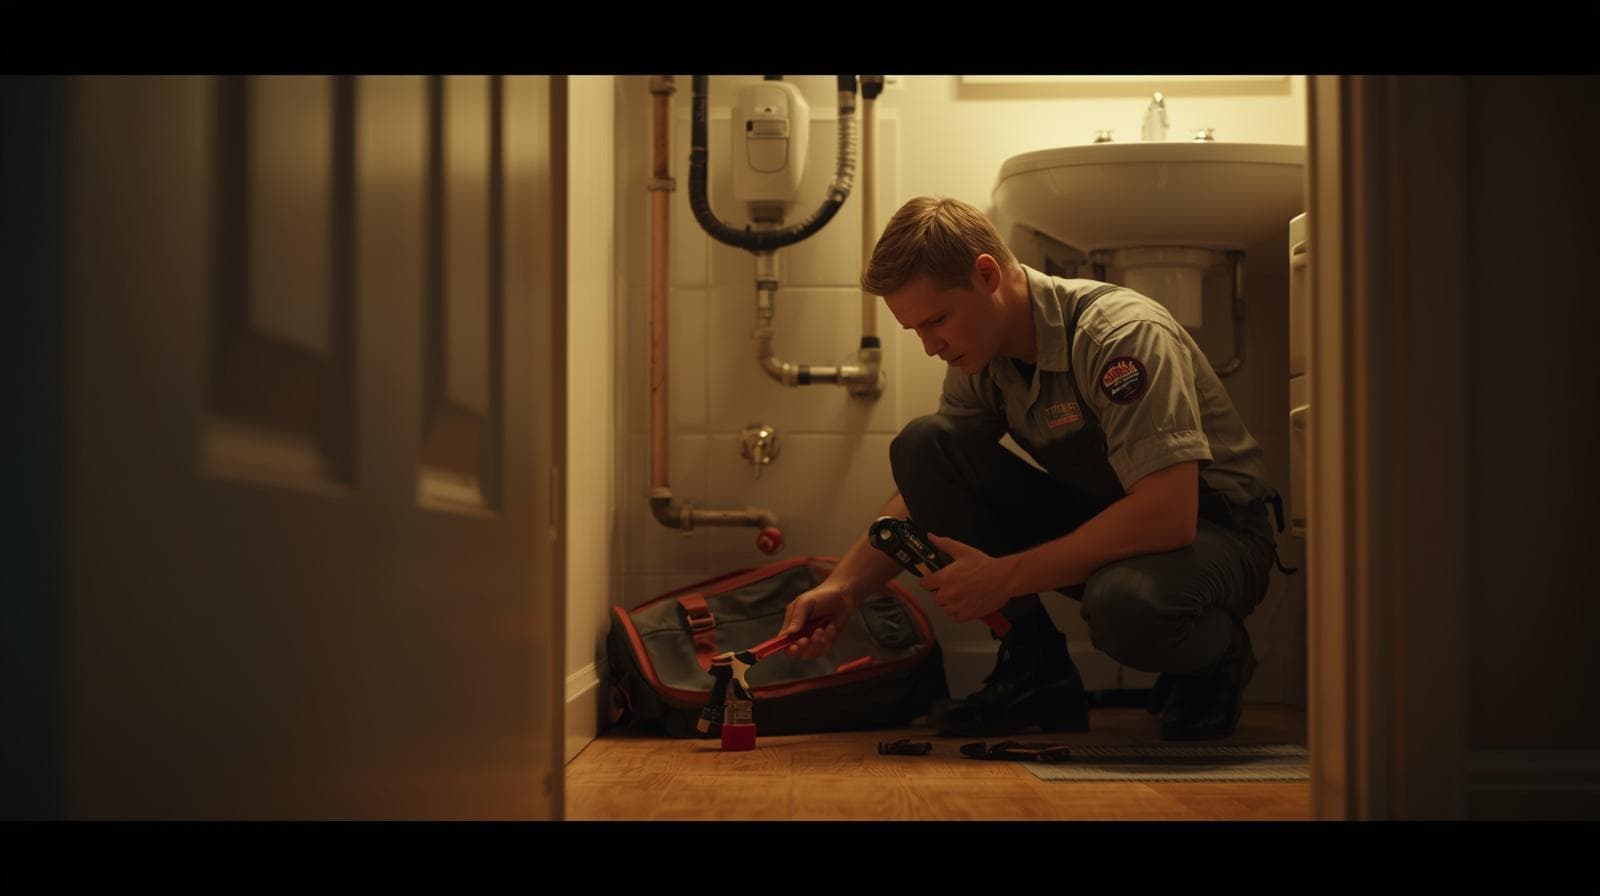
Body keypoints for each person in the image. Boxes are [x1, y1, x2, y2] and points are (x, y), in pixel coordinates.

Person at [777, 196, 1285, 741]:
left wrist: (1004, 578)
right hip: (1114, 517)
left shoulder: (1116, 336)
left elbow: (1168, 516)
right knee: (925, 446)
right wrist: (845, 589)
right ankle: (1036, 671)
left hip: (1216, 532)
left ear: (987, 274)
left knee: (1122, 604)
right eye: (916, 332)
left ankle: (1215, 661)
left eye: (937, 321)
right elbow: (926, 485)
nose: (930, 347)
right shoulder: (981, 355)